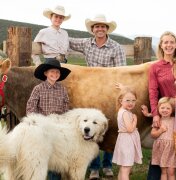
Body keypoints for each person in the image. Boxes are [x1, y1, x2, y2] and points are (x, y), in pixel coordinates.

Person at [69, 14, 126, 179]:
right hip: (90, 93)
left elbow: (121, 72)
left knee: (108, 126)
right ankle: (94, 167)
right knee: (90, 127)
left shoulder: (116, 47)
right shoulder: (87, 43)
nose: (99, 29)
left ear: (107, 29)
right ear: (92, 29)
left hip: (109, 93)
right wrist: (52, 33)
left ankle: (107, 165)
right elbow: (69, 40)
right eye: (96, 27)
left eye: (102, 26)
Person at [146, 31, 176, 180]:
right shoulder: (155, 67)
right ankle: (155, 177)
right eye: (166, 42)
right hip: (166, 112)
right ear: (161, 45)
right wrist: (155, 114)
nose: (169, 45)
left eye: (172, 42)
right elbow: (152, 91)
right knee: (163, 145)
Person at [26, 59, 71, 180]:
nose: (55, 74)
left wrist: (64, 123)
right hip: (43, 127)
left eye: (57, 72)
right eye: (52, 72)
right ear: (46, 73)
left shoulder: (62, 90)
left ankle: (54, 177)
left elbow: (66, 108)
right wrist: (35, 123)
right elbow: (31, 107)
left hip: (58, 127)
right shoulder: (38, 89)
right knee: (42, 155)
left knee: (56, 155)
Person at [112, 86, 142, 180]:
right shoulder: (125, 113)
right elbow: (130, 129)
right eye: (128, 100)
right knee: (126, 169)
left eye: (133, 100)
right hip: (127, 142)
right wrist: (135, 120)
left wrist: (123, 87)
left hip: (124, 140)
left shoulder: (122, 111)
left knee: (123, 168)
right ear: (121, 101)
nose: (131, 103)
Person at [150, 97, 176, 180]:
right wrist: (160, 130)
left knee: (171, 172)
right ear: (158, 108)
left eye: (168, 108)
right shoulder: (158, 121)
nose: (165, 110)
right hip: (161, 149)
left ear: (172, 110)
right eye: (162, 108)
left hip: (172, 149)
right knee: (164, 171)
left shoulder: (175, 120)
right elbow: (153, 134)